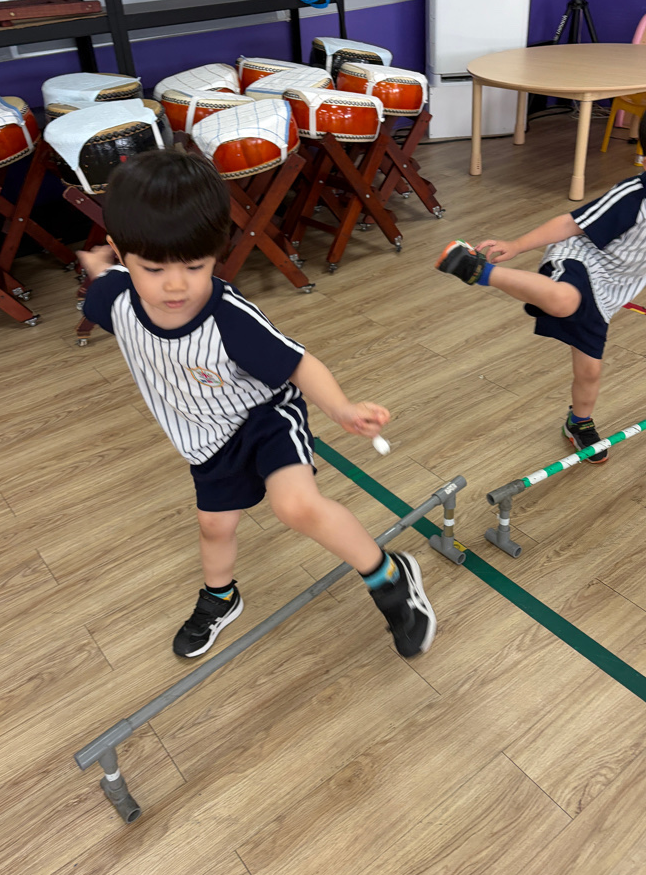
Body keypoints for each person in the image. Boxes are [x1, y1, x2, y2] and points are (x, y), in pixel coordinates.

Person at [79, 148, 435, 659]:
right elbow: (104, 280)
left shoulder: (229, 318)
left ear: (216, 252)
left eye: (195, 266)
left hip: (263, 417)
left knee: (295, 506)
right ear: (122, 252)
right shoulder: (114, 299)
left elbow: (299, 364)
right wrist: (97, 266)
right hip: (204, 436)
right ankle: (221, 597)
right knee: (214, 525)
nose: (175, 285)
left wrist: (341, 408)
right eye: (153, 268)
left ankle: (389, 576)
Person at [436, 89, 646, 462]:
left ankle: (578, 423)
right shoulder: (631, 197)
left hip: (610, 293)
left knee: (590, 371)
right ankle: (477, 270)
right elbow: (570, 223)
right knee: (564, 300)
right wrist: (517, 244)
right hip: (583, 260)